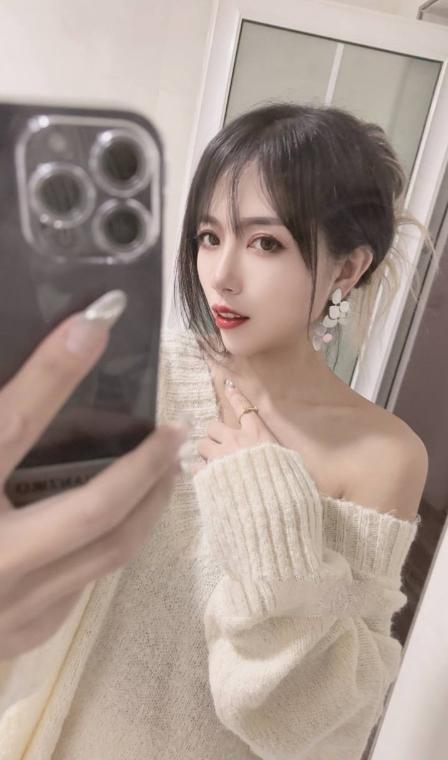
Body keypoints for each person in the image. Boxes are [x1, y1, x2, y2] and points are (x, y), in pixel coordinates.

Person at [0, 102, 432, 759]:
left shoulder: (382, 455)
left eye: (266, 243)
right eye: (208, 236)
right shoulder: (139, 373)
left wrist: (264, 509)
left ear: (346, 270)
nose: (222, 275)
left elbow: (323, 730)